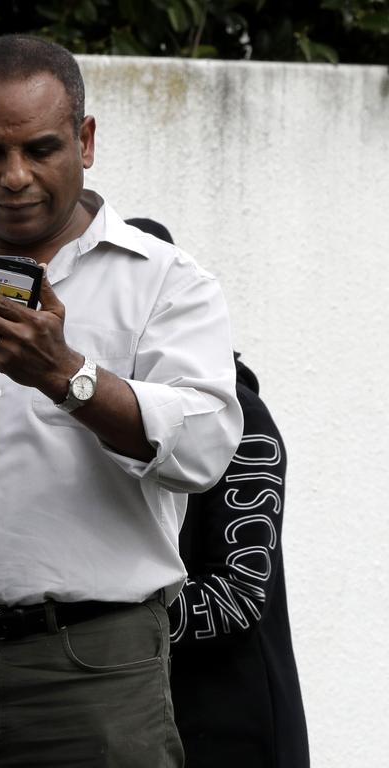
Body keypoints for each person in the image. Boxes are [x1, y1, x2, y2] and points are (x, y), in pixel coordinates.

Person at [0, 35, 244, 766]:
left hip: (95, 667)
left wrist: (67, 375)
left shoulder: (163, 280)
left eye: (41, 149)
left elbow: (204, 447)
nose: (14, 177)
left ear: (86, 139)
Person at [126, 214, 310, 767]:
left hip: (235, 723)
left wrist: (103, 628)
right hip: (148, 712)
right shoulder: (114, 412)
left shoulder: (241, 418)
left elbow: (241, 592)